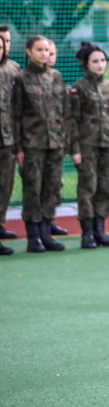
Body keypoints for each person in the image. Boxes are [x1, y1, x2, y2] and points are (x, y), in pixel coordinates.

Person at [12, 35, 69, 252]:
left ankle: (47, 234)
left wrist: (66, 142)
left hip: (55, 144)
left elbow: (65, 112)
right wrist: (17, 148)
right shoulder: (21, 78)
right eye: (39, 50)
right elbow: (15, 116)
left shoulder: (56, 76)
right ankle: (33, 238)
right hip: (31, 145)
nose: (44, 53)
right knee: (32, 189)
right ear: (28, 51)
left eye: (47, 50)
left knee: (51, 188)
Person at [69, 42, 109, 248]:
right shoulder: (78, 88)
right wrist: (74, 149)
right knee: (87, 189)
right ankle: (87, 234)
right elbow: (72, 120)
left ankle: (100, 231)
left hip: (108, 146)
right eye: (95, 61)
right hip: (87, 147)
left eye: (103, 60)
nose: (100, 65)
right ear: (86, 64)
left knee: (105, 188)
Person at [0, 28, 17, 245]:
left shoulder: (14, 70)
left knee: (5, 185)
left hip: (7, 139)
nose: (4, 45)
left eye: (5, 42)